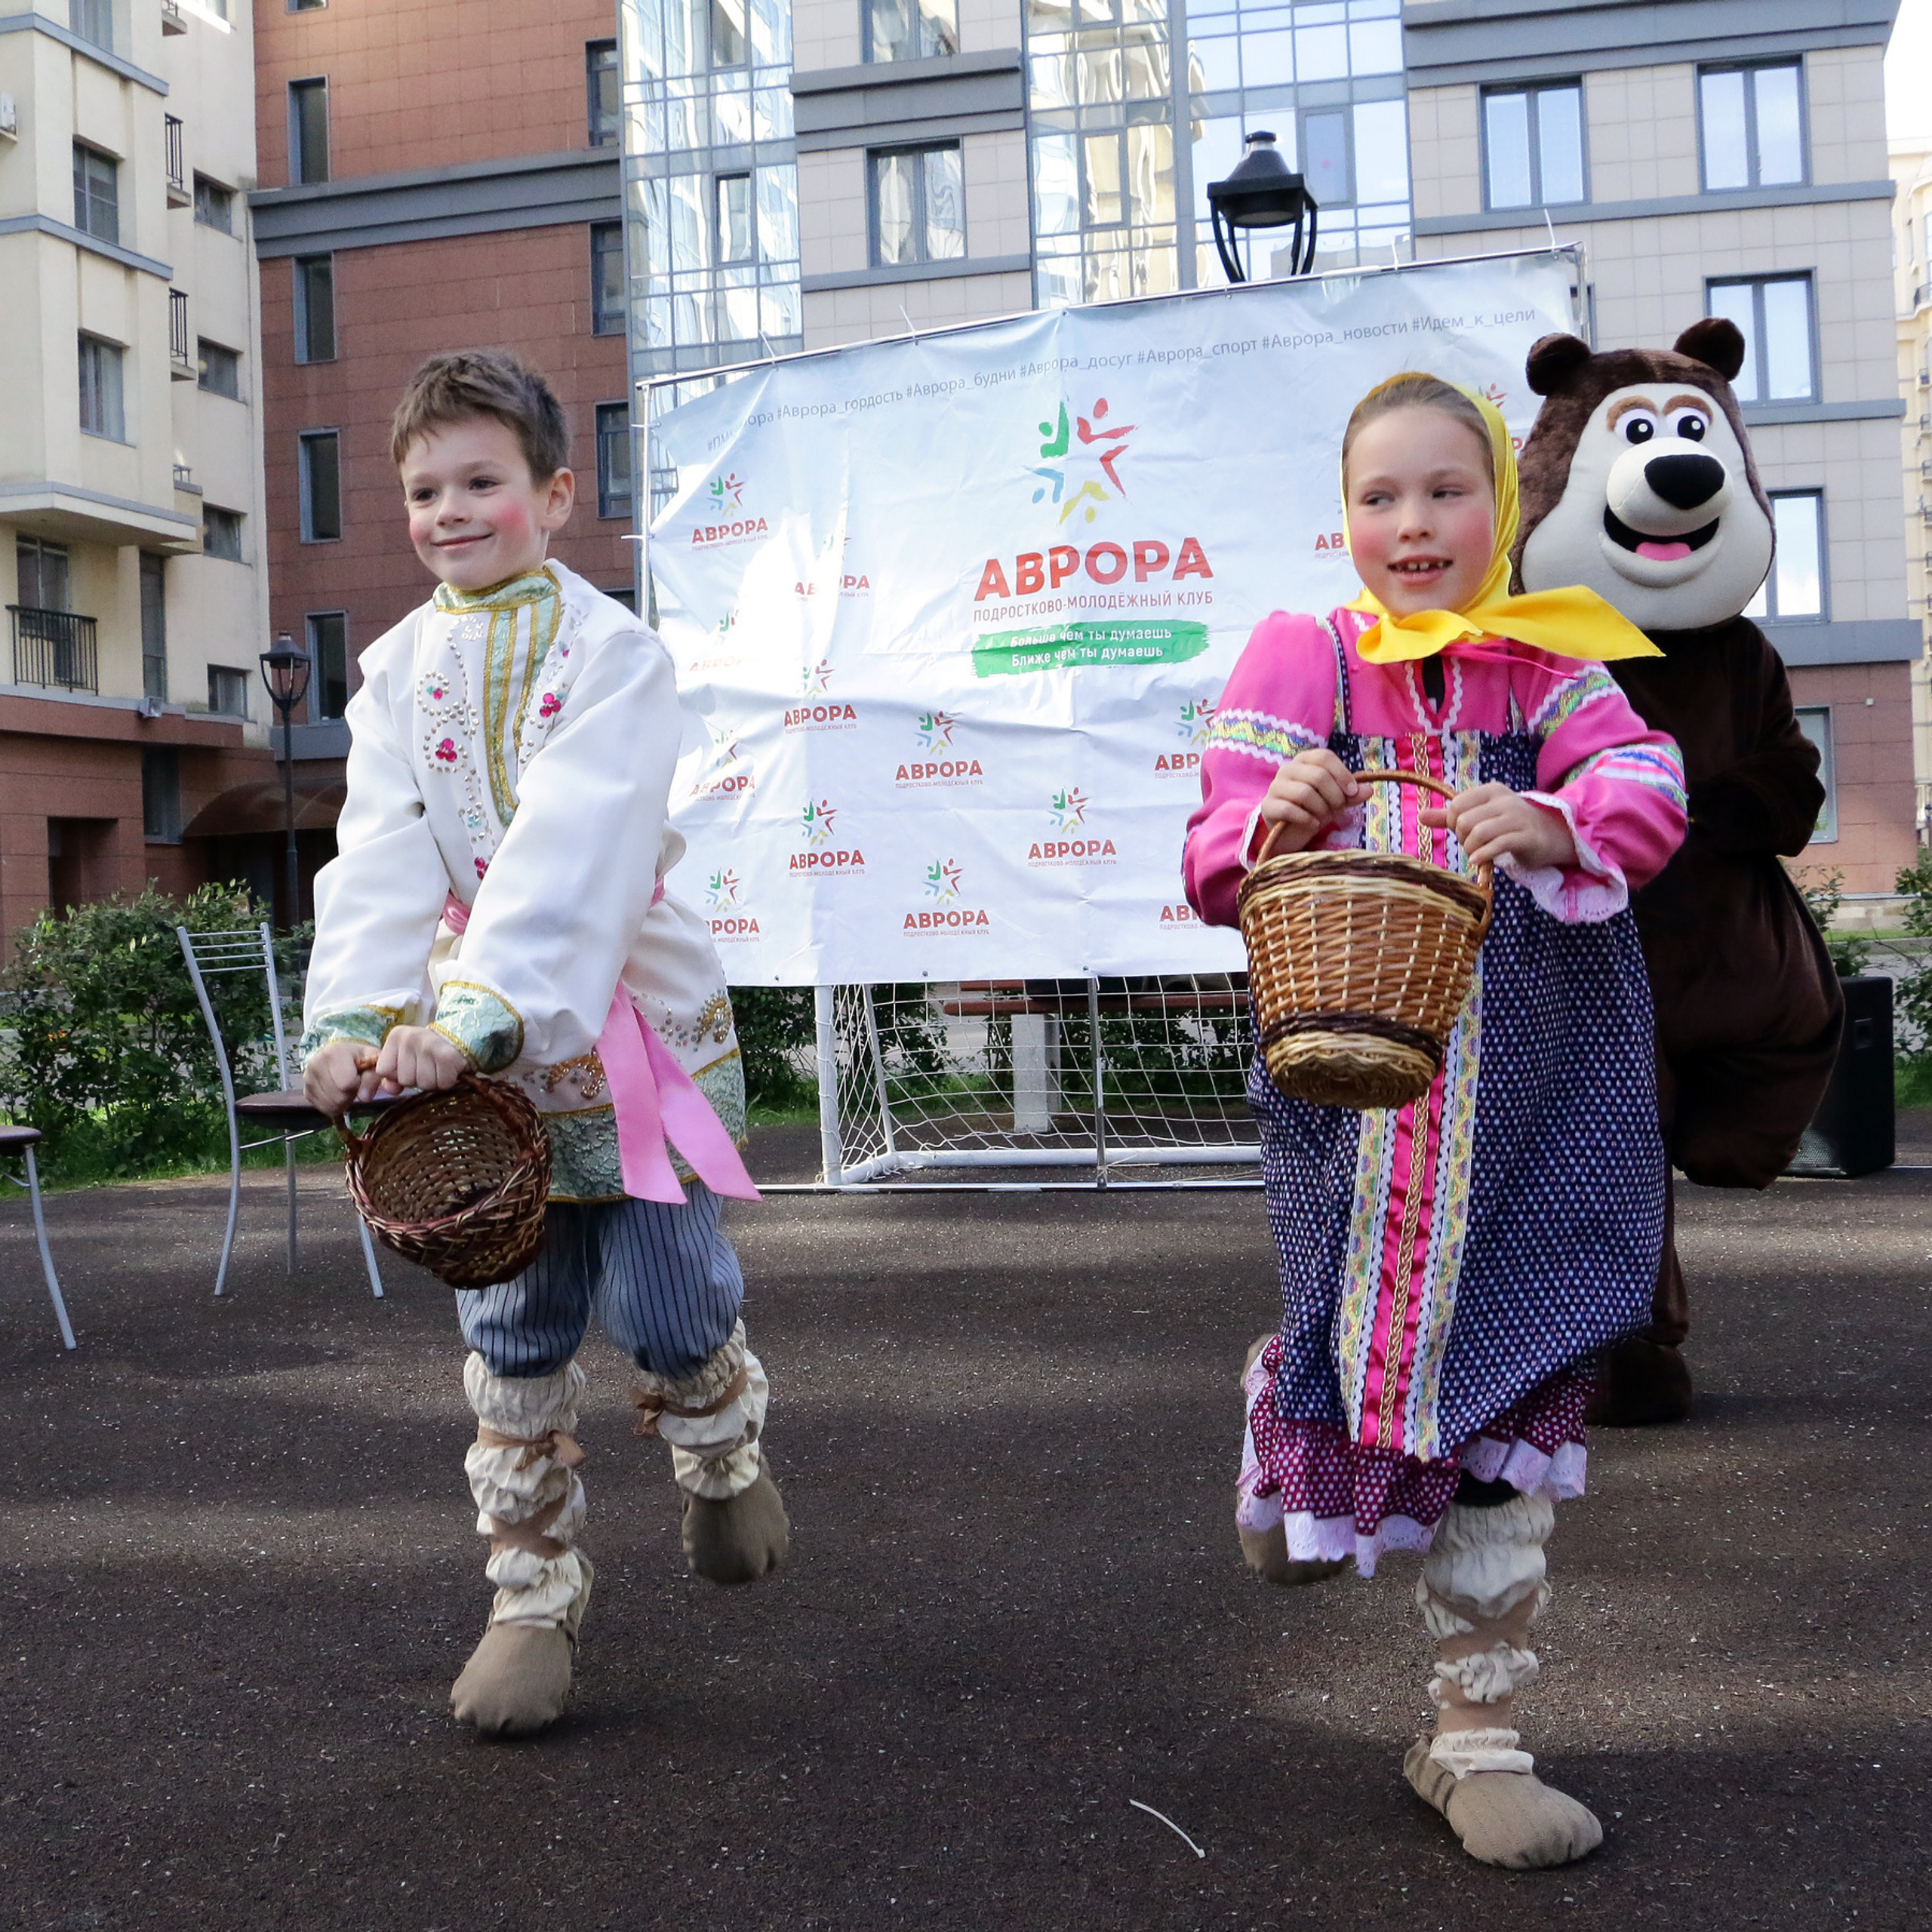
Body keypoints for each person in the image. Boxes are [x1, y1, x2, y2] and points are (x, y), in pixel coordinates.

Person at [1183, 373, 1687, 1869]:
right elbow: (1214, 850)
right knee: (1354, 1314)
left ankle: (1473, 1735)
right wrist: (1283, 803)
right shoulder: (1305, 654)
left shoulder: (1549, 662)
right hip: (1356, 1075)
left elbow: (1646, 784)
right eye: (1379, 496)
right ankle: (1289, 1428)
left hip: (1532, 1087)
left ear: (1500, 508)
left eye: (1444, 491)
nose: (1412, 523)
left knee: (1514, 1364)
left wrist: (1559, 819)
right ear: (1343, 517)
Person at [300, 349, 788, 1740]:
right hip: (471, 1034)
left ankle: (717, 1442)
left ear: (556, 492)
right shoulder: (394, 669)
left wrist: (474, 1011)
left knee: (668, 1293)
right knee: (509, 1316)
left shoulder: (615, 653)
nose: (451, 510)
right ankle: (531, 1590)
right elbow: (380, 848)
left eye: (482, 482)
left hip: (612, 1012)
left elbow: (576, 849)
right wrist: (352, 1016)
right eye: (423, 489)